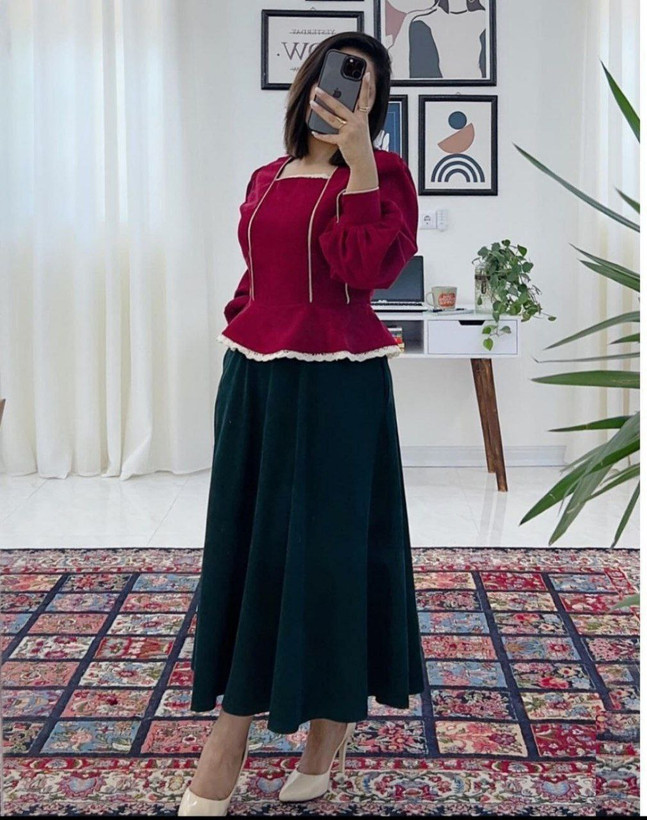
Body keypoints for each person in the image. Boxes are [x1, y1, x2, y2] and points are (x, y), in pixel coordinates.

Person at [178, 31, 425, 817]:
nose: (348, 96)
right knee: (250, 548)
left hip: (338, 390)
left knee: (327, 554)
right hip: (255, 381)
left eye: (365, 88)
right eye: (338, 80)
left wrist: (358, 165)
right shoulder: (267, 174)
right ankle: (241, 729)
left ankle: (299, 734)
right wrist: (243, 323)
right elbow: (256, 273)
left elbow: (365, 269)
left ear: (375, 103)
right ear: (307, 87)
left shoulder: (385, 176)